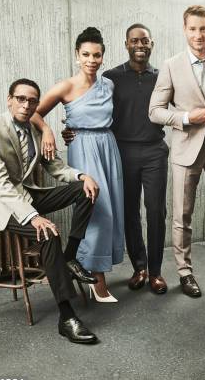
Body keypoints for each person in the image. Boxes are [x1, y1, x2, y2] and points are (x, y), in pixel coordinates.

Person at [0, 78, 100, 343]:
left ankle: (70, 258)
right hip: (0, 206)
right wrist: (33, 217)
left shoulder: (34, 131)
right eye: (21, 98)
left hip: (28, 195)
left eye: (32, 100)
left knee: (86, 190)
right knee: (48, 233)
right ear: (9, 99)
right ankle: (67, 317)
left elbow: (55, 167)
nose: (27, 104)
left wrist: (81, 176)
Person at [62, 24, 169, 295]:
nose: (140, 45)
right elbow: (90, 109)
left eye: (145, 40)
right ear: (126, 44)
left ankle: (156, 272)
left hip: (155, 150)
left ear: (151, 43)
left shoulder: (162, 77)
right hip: (122, 152)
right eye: (134, 40)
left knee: (156, 211)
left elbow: (180, 105)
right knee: (129, 211)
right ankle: (140, 267)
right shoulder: (111, 77)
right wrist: (69, 127)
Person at [149, 5, 205, 298]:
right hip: (186, 147)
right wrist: (187, 118)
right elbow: (154, 111)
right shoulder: (171, 65)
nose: (198, 34)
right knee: (182, 215)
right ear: (185, 30)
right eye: (193, 29)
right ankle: (185, 272)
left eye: (203, 28)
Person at [32, 27, 124, 302]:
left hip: (108, 147)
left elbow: (108, 118)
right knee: (98, 210)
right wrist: (49, 130)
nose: (91, 60)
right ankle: (97, 281)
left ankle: (92, 269)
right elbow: (35, 113)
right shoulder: (65, 86)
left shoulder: (108, 85)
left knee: (112, 212)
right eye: (86, 54)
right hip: (83, 150)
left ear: (102, 57)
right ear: (77, 55)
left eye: (96, 55)